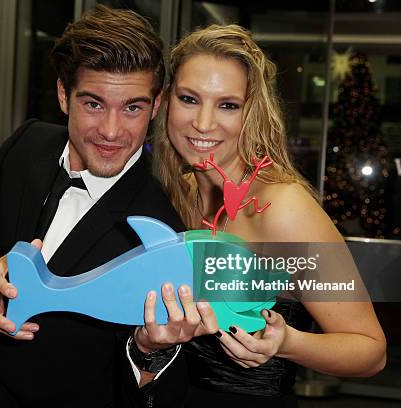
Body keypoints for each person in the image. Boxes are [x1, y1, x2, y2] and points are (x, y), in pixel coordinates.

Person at [0, 6, 216, 407]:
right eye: (93, 104)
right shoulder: (29, 145)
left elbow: (163, 387)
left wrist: (150, 352)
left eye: (132, 107)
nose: (111, 131)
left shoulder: (161, 223)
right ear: (63, 95)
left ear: (157, 105)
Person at [153, 25, 387, 406]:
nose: (203, 123)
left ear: (251, 114)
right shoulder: (181, 194)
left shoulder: (283, 208)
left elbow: (371, 351)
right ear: (166, 102)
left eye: (227, 104)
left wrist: (287, 342)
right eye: (189, 99)